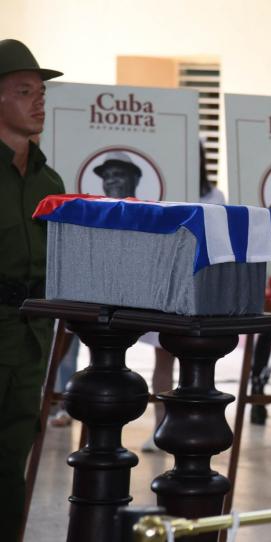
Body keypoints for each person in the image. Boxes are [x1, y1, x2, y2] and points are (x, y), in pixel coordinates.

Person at [0, 38, 64, 537]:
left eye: (40, 91)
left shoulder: (50, 183)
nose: (38, 101)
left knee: (12, 458)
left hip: (30, 338)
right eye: (24, 90)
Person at [140, 140, 225, 452]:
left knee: (197, 362)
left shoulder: (215, 196)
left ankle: (192, 426)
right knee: (163, 358)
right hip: (164, 284)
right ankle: (160, 427)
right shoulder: (160, 189)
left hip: (199, 287)